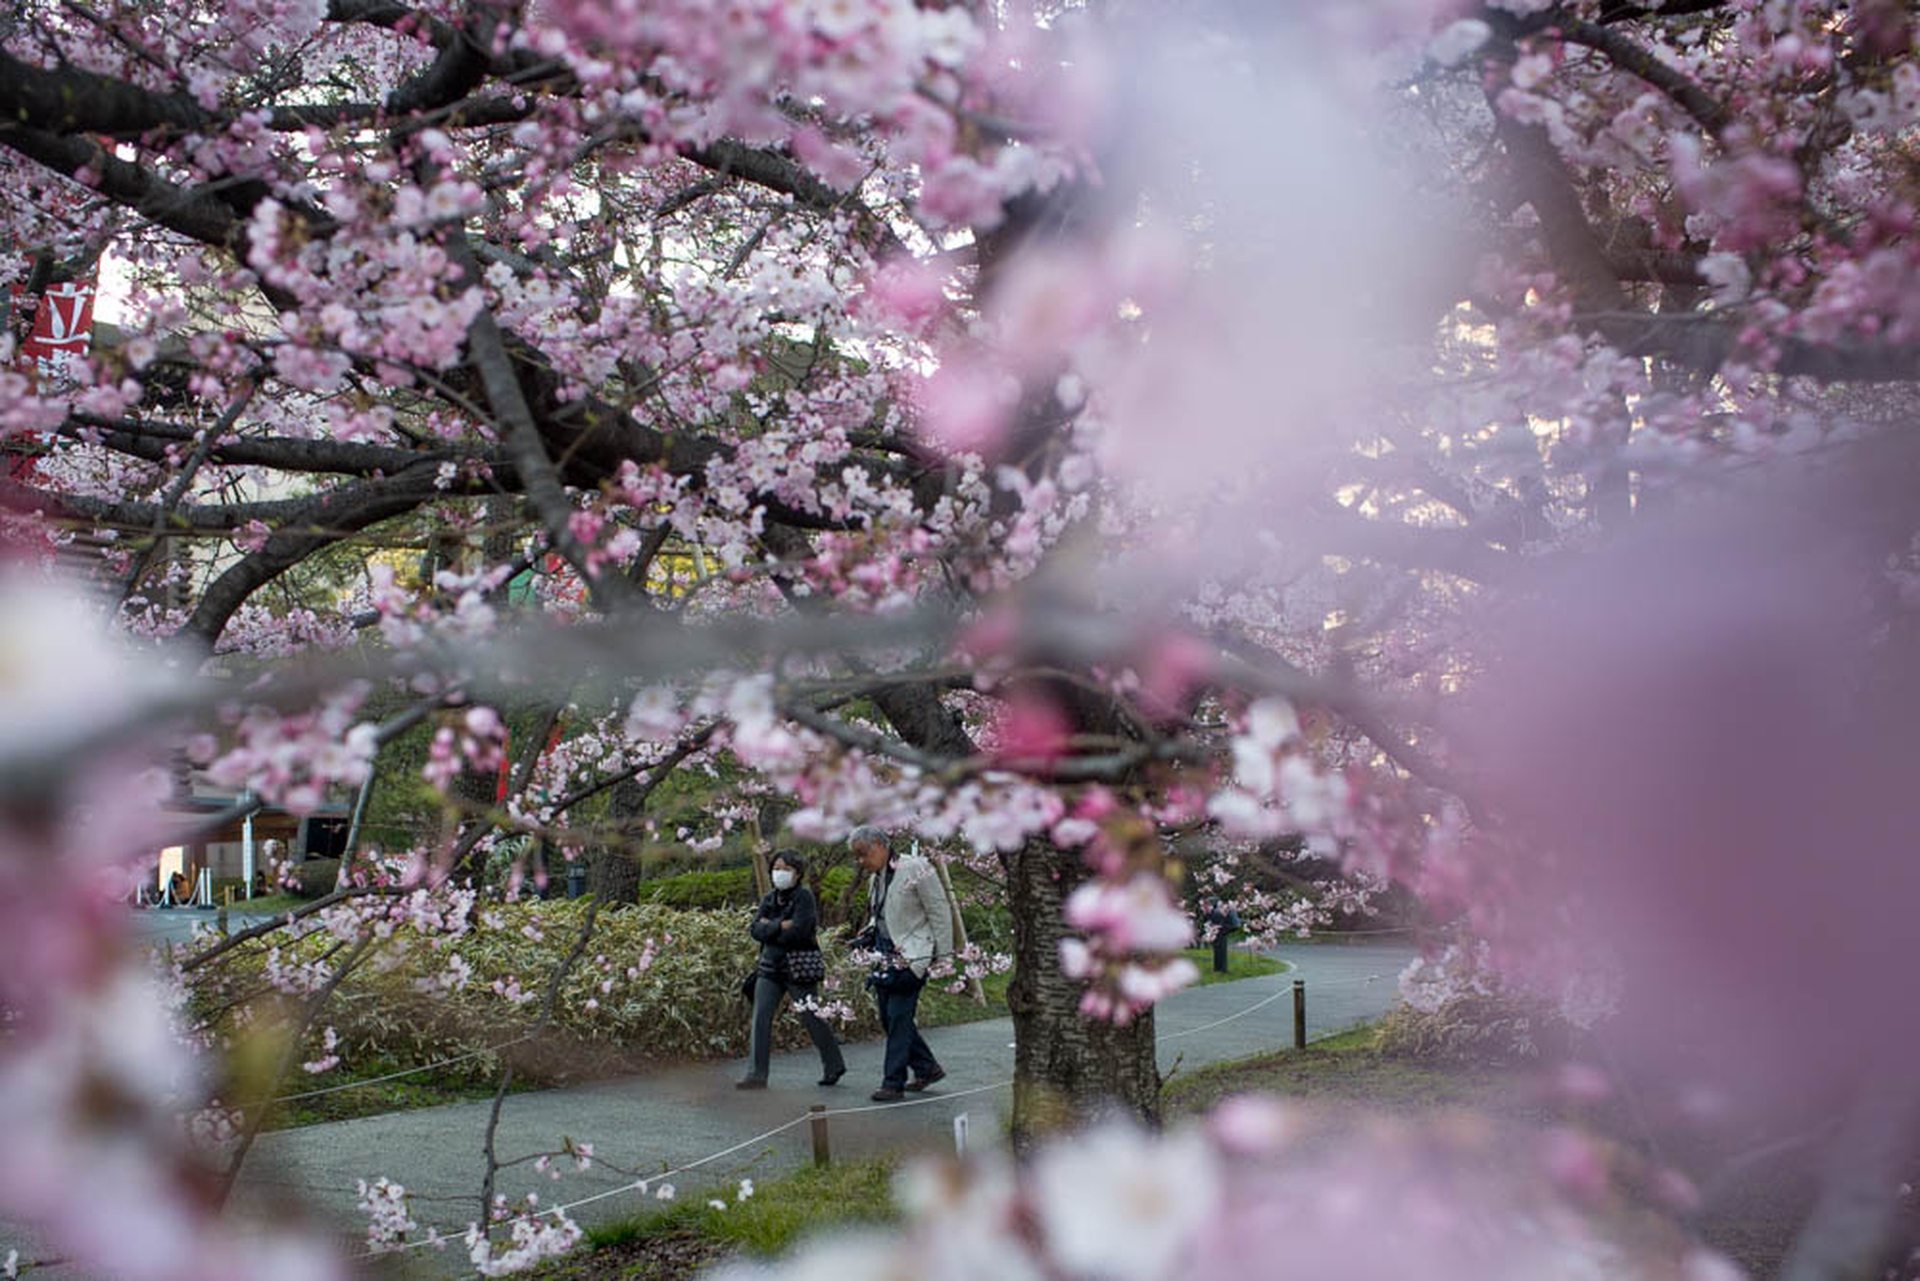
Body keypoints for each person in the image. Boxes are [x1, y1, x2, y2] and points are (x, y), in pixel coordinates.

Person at [849, 825, 953, 1102]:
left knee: (897, 1016)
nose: (861, 861)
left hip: (913, 954)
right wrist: (870, 928)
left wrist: (943, 958)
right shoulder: (876, 878)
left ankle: (892, 1083)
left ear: (881, 846)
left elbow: (939, 911)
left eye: (863, 854)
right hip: (883, 953)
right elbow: (881, 912)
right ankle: (926, 1068)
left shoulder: (917, 867)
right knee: (889, 1017)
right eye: (856, 856)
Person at [738, 850, 846, 1089]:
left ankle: (833, 1064)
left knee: (812, 1018)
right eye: (777, 868)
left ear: (797, 873)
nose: (780, 873)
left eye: (786, 869)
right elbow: (755, 930)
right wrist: (781, 926)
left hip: (798, 968)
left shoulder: (804, 897)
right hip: (769, 968)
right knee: (761, 1018)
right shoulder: (769, 899)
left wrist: (771, 927)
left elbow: (801, 929)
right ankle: (756, 1074)